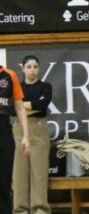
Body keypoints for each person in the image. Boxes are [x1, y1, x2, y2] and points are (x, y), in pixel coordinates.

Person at [12, 56, 49, 214]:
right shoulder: (17, 87)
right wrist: (28, 106)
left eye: (35, 66)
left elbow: (42, 105)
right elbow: (12, 109)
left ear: (38, 69)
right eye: (29, 67)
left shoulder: (45, 87)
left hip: (39, 129)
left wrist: (21, 107)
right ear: (23, 69)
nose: (32, 70)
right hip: (19, 129)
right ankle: (20, 210)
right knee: (19, 174)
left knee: (39, 173)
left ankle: (40, 209)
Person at [0, 61, 30, 214]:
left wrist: (26, 135)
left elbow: (19, 107)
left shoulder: (9, 75)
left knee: (4, 181)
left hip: (4, 131)